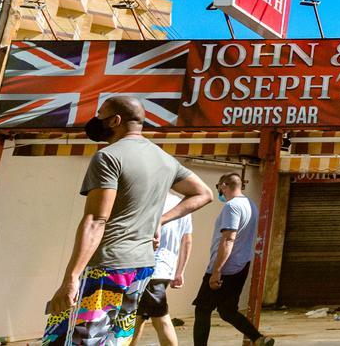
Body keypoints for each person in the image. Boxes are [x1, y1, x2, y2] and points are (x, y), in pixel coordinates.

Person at [43, 96, 214, 345]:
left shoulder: (109, 157)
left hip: (106, 264)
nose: (96, 120)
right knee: (114, 338)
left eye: (100, 115)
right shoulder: (165, 159)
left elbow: (96, 220)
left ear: (115, 120)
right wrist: (161, 220)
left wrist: (71, 277)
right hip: (141, 267)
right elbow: (204, 193)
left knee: (78, 339)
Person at [193, 173, 274, 346]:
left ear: (224, 185)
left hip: (225, 267)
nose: (219, 192)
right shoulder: (250, 205)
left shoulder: (232, 207)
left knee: (202, 309)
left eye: (218, 188)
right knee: (227, 310)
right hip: (241, 265)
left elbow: (229, 239)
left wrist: (216, 271)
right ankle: (258, 338)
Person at [134, 193, 194, 346]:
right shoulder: (183, 204)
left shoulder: (148, 197)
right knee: (138, 317)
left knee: (161, 319)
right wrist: (180, 272)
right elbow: (186, 241)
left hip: (148, 268)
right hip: (165, 269)